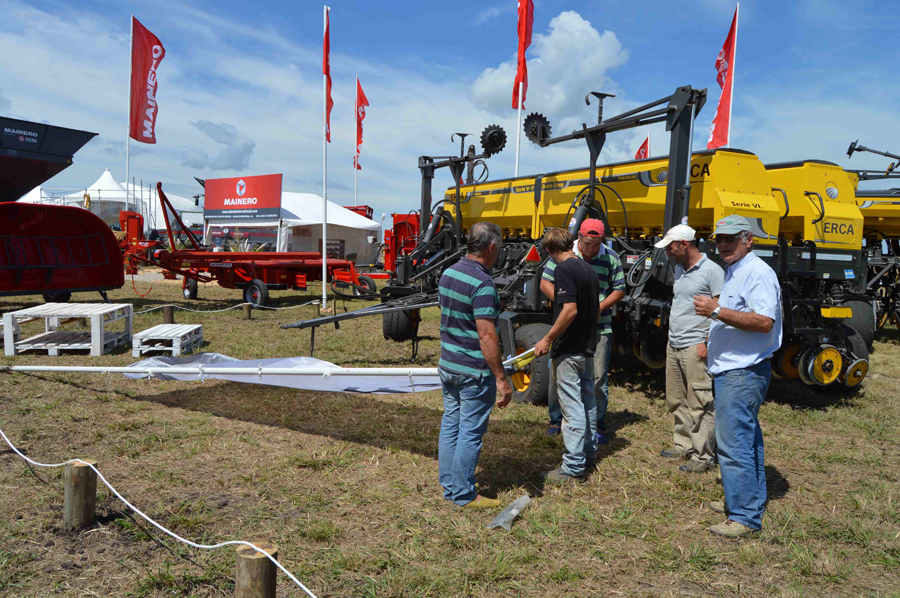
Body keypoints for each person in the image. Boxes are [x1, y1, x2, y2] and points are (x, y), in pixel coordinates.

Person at [693, 215, 782, 538]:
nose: (723, 244)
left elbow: (764, 321)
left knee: (734, 444)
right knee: (746, 440)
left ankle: (744, 516)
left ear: (749, 240)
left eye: (731, 238)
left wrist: (716, 310)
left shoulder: (757, 273)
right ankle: (745, 499)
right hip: (735, 369)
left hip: (742, 371)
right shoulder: (737, 270)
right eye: (719, 239)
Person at [437, 221, 513, 508]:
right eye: (499, 249)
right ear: (491, 247)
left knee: (451, 424)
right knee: (470, 431)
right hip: (473, 371)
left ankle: (450, 485)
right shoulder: (483, 283)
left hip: (448, 364)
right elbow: (486, 335)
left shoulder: (448, 273)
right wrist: (501, 378)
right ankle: (463, 494)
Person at [540, 219, 625, 444]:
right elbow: (545, 283)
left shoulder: (611, 257)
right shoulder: (565, 256)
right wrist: (567, 300)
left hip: (599, 326)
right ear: (579, 237)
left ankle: (596, 425)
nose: (591, 249)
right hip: (568, 325)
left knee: (597, 377)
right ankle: (556, 420)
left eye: (596, 245)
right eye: (587, 244)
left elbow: (619, 289)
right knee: (557, 373)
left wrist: (598, 307)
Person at [656, 224, 724, 473]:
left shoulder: (712, 271)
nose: (668, 252)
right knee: (676, 398)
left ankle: (703, 455)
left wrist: (707, 343)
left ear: (684, 244)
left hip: (695, 346)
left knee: (700, 402)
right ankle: (683, 444)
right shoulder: (679, 269)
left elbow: (721, 311)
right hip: (674, 343)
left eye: (671, 247)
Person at [534, 228, 601, 483]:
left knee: (571, 407)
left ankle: (573, 467)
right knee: (588, 402)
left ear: (549, 251)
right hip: (587, 347)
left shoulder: (563, 270)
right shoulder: (589, 269)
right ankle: (589, 453)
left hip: (569, 349)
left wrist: (548, 338)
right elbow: (594, 310)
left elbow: (569, 309)